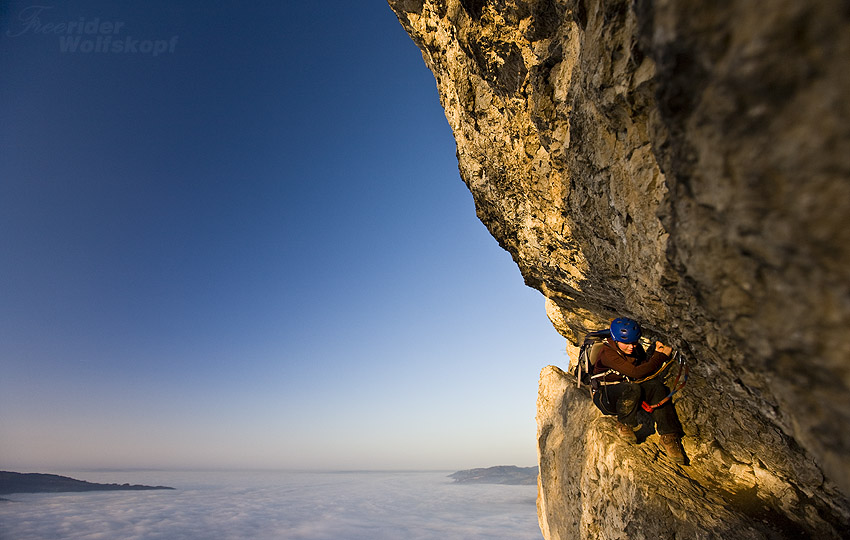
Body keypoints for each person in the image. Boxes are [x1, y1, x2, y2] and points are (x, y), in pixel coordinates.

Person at [591, 317, 685, 463]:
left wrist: (655, 353)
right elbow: (635, 373)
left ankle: (669, 436)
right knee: (632, 388)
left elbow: (644, 369)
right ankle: (625, 424)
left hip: (629, 393)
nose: (631, 347)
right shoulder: (607, 353)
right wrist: (660, 357)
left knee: (657, 387)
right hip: (606, 397)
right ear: (615, 340)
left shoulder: (636, 349)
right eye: (626, 343)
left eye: (634, 342)